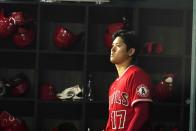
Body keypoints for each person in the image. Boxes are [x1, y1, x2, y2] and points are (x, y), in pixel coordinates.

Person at [104, 29, 174, 131]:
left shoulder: (136, 75)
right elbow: (111, 119)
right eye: (112, 45)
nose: (112, 49)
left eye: (118, 46)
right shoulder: (113, 85)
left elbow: (142, 113)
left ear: (131, 51)